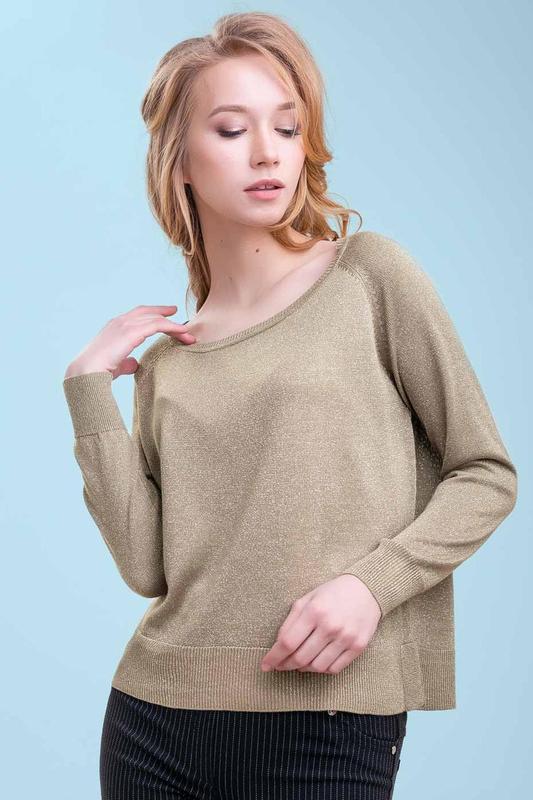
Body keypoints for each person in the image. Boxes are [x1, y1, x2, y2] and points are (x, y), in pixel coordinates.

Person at [62, 11, 518, 800]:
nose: (267, 152)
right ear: (180, 160)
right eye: (231, 129)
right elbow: (148, 568)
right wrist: (87, 392)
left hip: (327, 720)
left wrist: (371, 587)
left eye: (286, 126)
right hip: (153, 722)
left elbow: (484, 473)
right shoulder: (169, 361)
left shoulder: (368, 278)